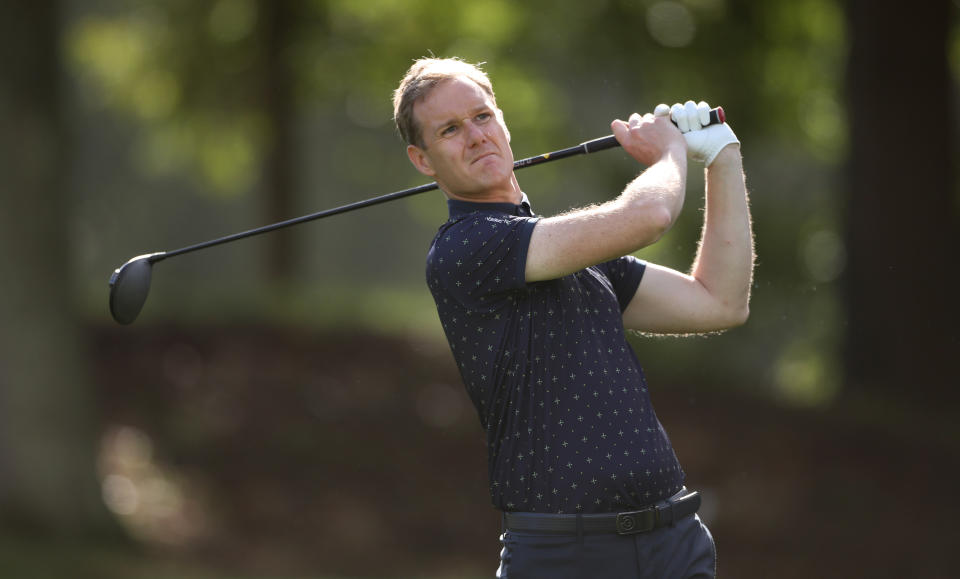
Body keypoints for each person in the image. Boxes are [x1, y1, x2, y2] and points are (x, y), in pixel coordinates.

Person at [393, 57, 753, 579]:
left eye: (482, 117)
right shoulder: (463, 249)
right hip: (567, 555)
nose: (475, 137)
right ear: (422, 160)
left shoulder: (579, 257)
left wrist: (722, 157)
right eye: (449, 130)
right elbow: (648, 216)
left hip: (674, 541)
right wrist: (669, 154)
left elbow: (721, 301)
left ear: (503, 122)